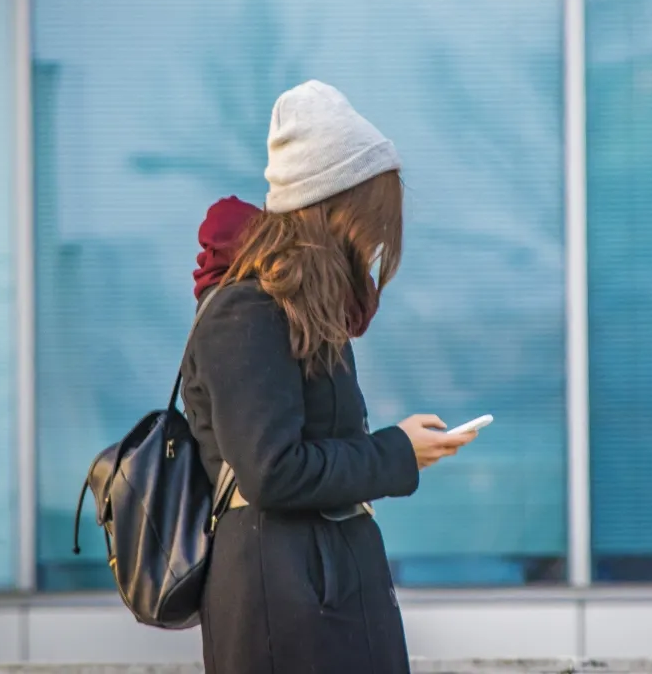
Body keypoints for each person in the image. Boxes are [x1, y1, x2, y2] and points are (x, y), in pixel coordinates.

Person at [181, 80, 477, 674]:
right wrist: (397, 452)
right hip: (286, 607)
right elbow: (272, 471)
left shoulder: (301, 306)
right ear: (331, 206)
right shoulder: (249, 307)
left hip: (319, 594)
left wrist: (398, 448)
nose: (375, 237)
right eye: (371, 215)